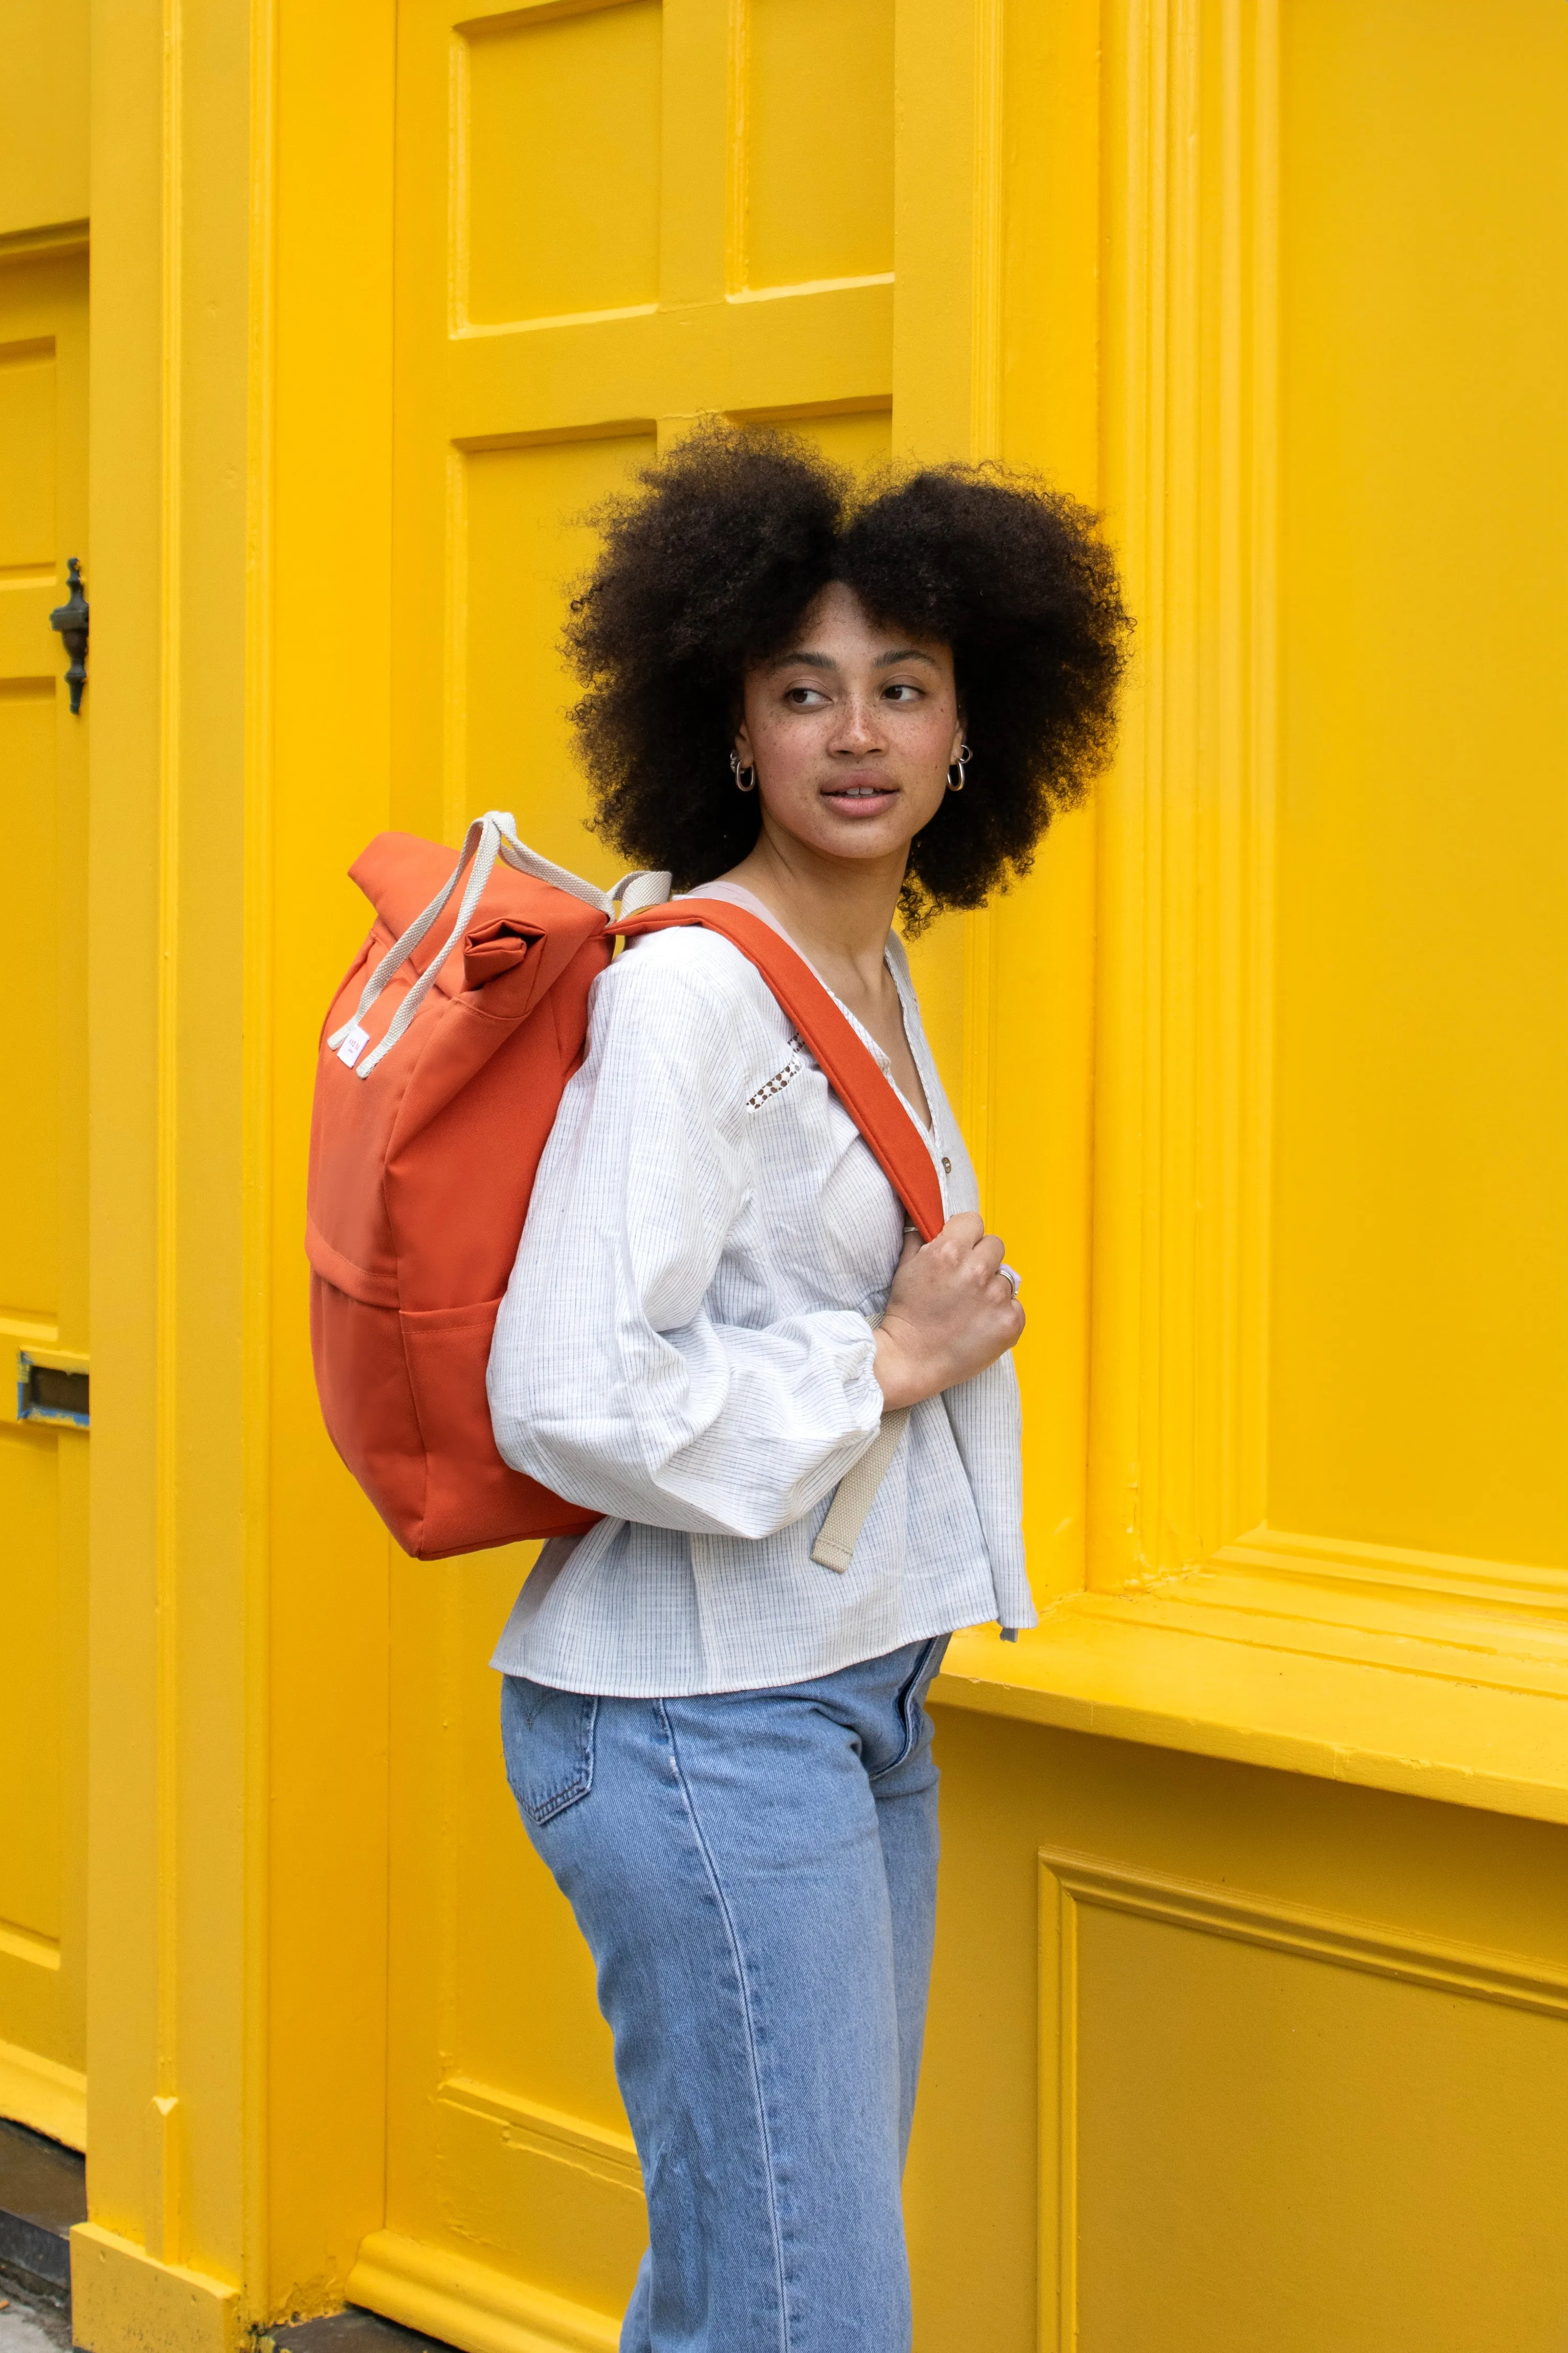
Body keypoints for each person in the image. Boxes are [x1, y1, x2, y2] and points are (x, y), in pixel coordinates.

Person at [486, 424, 1128, 2353]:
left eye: (902, 689)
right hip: (702, 1723)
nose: (855, 733)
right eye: (802, 692)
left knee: (749, 2289)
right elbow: (569, 1386)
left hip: (849, 1693)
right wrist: (885, 1355)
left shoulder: (865, 967)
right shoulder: (698, 988)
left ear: (967, 734)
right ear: (732, 730)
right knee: (804, 2314)